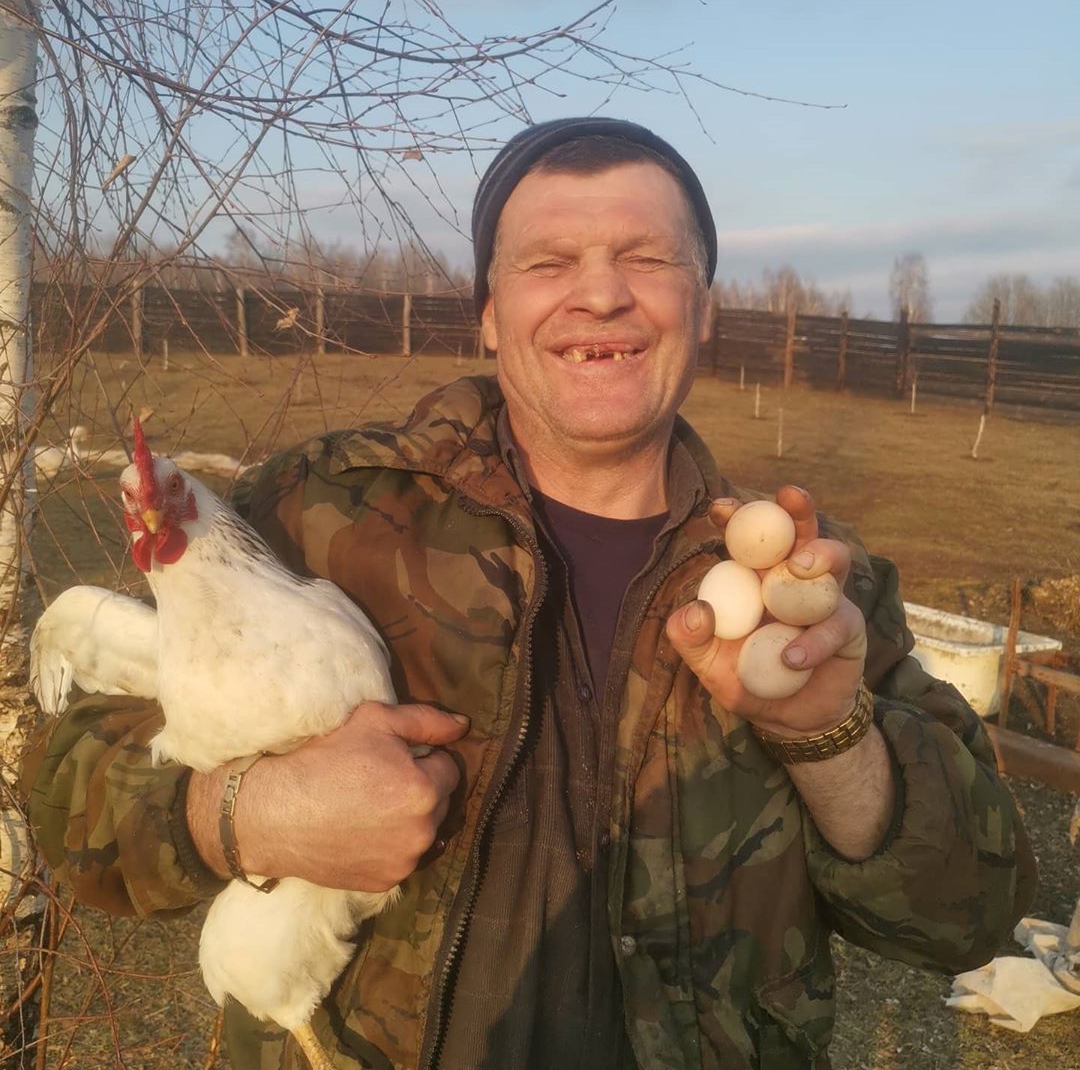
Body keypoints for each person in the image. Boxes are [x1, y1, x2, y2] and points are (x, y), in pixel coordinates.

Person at [23, 118, 1035, 1069]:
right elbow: (65, 795)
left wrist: (831, 740)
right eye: (549, 263)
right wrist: (248, 814)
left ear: (705, 308)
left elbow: (972, 915)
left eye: (646, 258)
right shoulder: (318, 513)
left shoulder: (806, 592)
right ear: (489, 314)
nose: (600, 295)